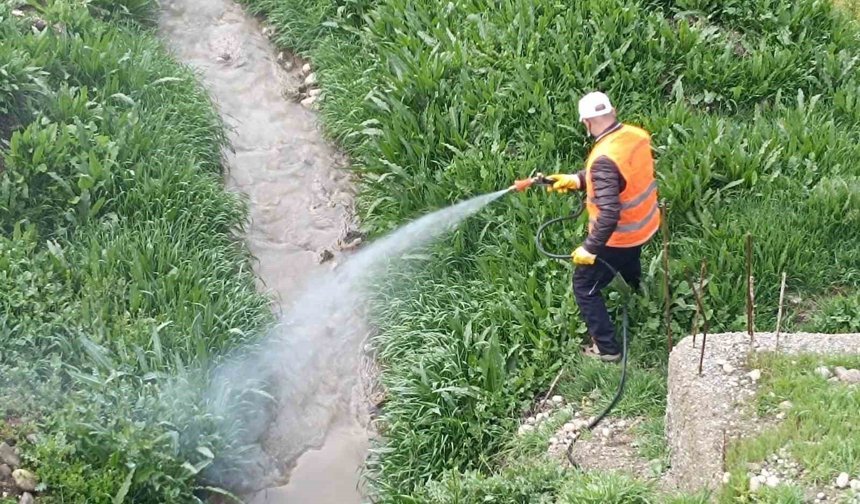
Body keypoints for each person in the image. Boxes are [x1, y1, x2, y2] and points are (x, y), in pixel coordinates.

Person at [546, 91, 660, 362]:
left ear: (585, 123)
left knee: (584, 285)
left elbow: (609, 211)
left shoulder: (604, 158)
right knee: (630, 259)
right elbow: (621, 177)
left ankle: (607, 349)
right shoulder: (635, 136)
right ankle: (637, 289)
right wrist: (578, 179)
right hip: (644, 225)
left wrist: (589, 248)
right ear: (613, 110)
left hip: (618, 236)